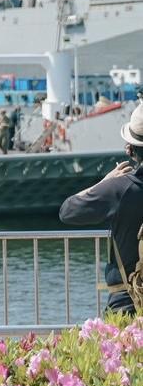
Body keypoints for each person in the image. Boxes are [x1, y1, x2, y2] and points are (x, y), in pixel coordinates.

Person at [59, 105, 143, 313]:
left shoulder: (120, 189)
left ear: (130, 150)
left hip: (129, 302)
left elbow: (68, 211)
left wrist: (103, 183)